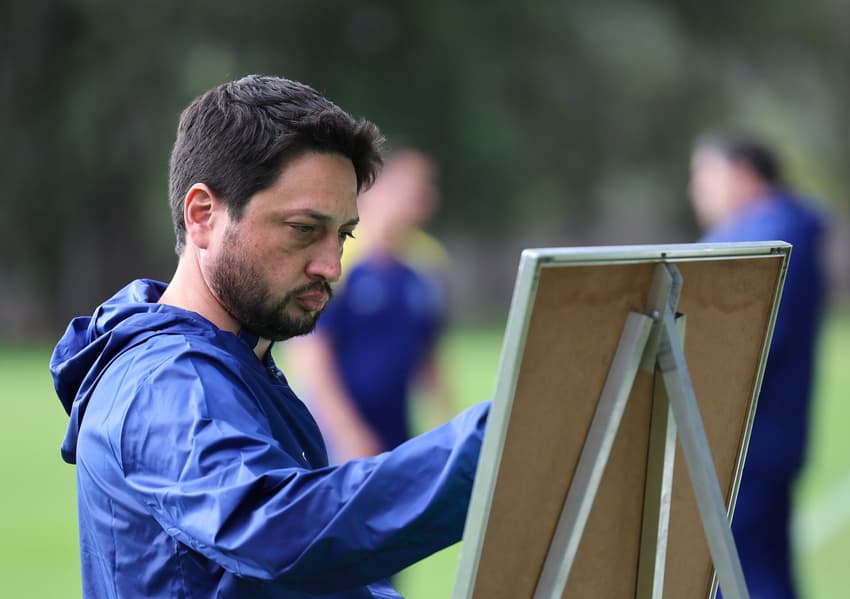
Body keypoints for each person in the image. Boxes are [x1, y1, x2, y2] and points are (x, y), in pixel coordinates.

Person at [50, 75, 489, 599]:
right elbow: (278, 528)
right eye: (303, 228)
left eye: (343, 234)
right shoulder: (166, 379)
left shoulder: (241, 360)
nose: (331, 265)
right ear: (203, 216)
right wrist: (499, 441)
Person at [689, 132, 826, 599]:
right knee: (759, 568)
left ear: (743, 175)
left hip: (746, 439)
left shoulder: (764, 236)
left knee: (740, 574)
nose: (697, 190)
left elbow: (741, 340)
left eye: (704, 175)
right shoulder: (779, 229)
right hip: (768, 435)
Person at [289, 148, 454, 462]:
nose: (424, 194)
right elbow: (311, 357)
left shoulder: (429, 264)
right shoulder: (338, 260)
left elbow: (429, 353)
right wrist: (348, 432)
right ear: (377, 187)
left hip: (396, 430)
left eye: (428, 186)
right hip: (337, 437)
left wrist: (447, 424)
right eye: (412, 185)